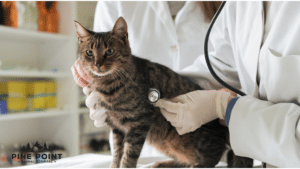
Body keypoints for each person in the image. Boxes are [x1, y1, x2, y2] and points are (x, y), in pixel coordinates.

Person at [72, 1, 223, 158]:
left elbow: (231, 70)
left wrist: (221, 103)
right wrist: (92, 82)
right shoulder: (113, 3)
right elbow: (97, 52)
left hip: (209, 141)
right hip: (142, 150)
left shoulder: (229, 5)